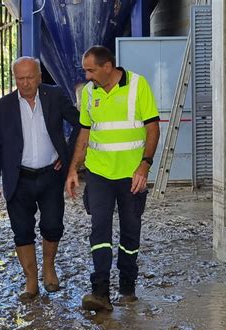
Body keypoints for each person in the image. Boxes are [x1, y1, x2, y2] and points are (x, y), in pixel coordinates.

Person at [66, 45, 160, 312]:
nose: (87, 76)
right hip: (99, 174)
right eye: (85, 70)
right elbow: (84, 133)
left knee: (130, 231)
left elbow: (152, 128)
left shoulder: (138, 85)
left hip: (132, 175)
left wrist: (145, 165)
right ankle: (100, 291)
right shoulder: (88, 93)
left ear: (108, 67)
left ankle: (127, 286)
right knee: (99, 230)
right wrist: (74, 168)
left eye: (91, 70)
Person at [0, 56, 79, 299]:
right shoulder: (3, 106)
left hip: (51, 174)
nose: (24, 83)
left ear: (39, 77)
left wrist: (66, 153)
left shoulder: (55, 96)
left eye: (29, 77)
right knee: (22, 229)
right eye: (20, 78)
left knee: (52, 225)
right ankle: (30, 280)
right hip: (18, 177)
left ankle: (49, 268)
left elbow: (81, 123)